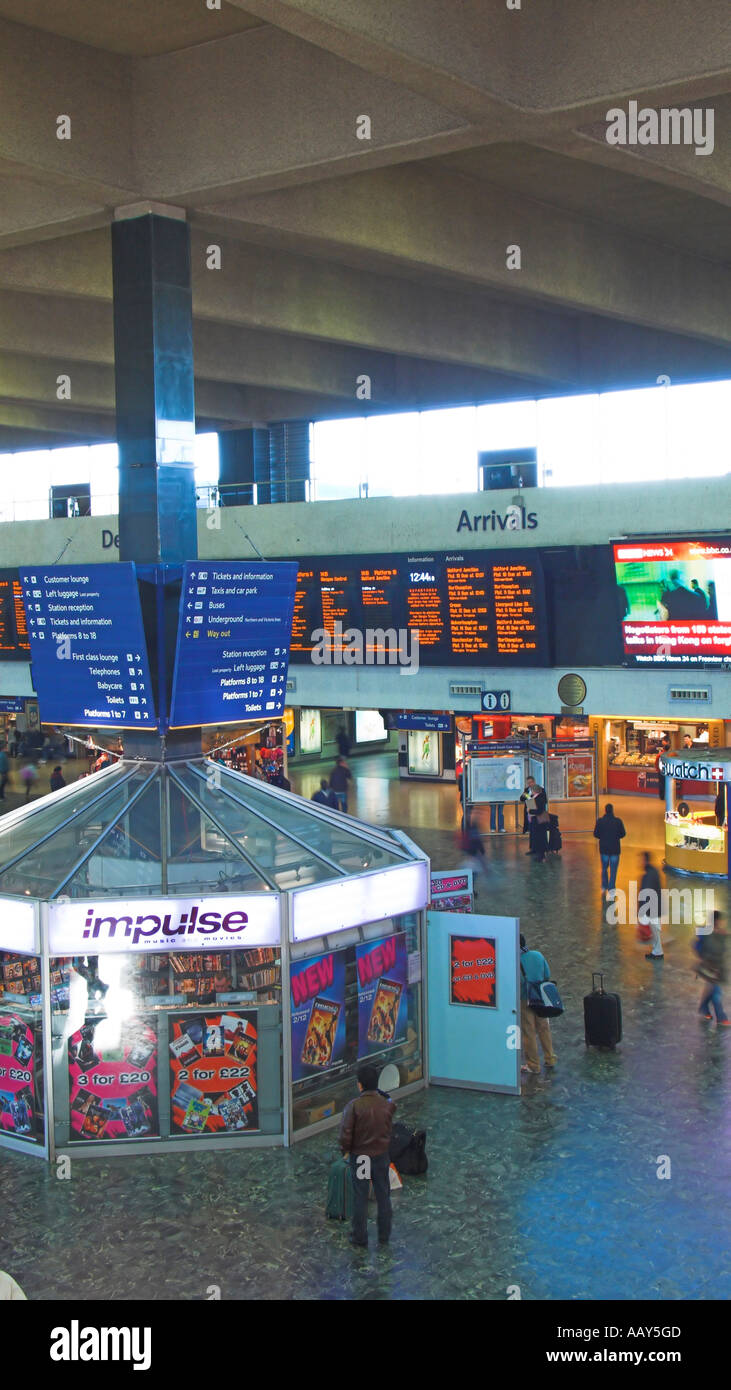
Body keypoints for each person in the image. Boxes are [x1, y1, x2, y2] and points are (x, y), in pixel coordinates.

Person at [339, 1063, 396, 1248]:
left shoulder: (354, 1106)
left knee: (360, 1196)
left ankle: (359, 1236)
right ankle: (384, 1235)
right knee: (383, 1195)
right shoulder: (387, 1105)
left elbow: (346, 1134)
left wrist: (346, 1152)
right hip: (380, 1156)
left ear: (359, 1085)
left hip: (361, 1157)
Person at [519, 934, 557, 1075]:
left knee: (529, 1031)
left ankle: (533, 1065)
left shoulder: (515, 961)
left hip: (525, 998)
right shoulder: (537, 955)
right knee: (543, 1027)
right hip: (541, 996)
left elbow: (520, 983)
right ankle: (550, 1058)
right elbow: (547, 974)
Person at [694, 911, 728, 1026]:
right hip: (711, 968)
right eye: (721, 920)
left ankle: (703, 1008)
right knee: (716, 992)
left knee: (711, 990)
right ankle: (721, 1018)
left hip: (714, 967)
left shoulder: (716, 932)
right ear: (716, 921)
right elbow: (713, 951)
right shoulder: (710, 934)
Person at [593, 802, 626, 899]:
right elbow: (623, 834)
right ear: (612, 810)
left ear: (605, 810)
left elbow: (596, 834)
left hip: (604, 849)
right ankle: (611, 889)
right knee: (613, 870)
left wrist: (602, 837)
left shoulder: (600, 821)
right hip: (615, 849)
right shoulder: (618, 821)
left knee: (604, 869)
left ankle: (604, 886)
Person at [639, 851, 664, 960]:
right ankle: (656, 951)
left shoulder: (648, 875)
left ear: (645, 860)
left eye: (641, 860)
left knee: (654, 930)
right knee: (655, 929)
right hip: (655, 906)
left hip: (652, 908)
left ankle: (657, 952)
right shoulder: (653, 871)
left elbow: (647, 893)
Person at [522, 776, 548, 861]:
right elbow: (522, 798)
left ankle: (540, 853)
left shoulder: (540, 791)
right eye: (528, 783)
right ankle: (533, 849)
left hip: (538, 817)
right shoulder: (527, 791)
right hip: (531, 817)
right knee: (532, 833)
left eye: (530, 782)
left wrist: (531, 810)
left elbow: (542, 804)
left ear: (534, 782)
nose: (529, 784)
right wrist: (527, 795)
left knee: (539, 835)